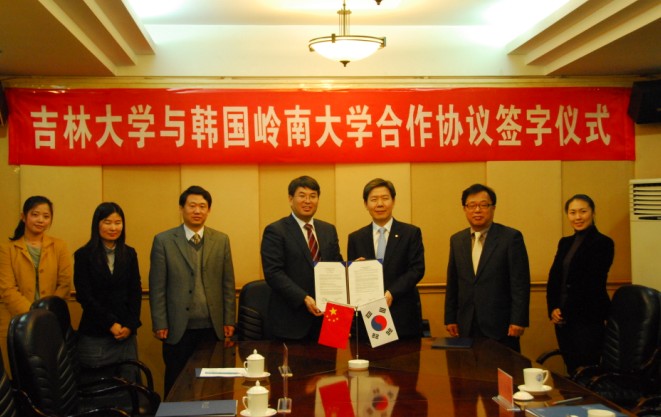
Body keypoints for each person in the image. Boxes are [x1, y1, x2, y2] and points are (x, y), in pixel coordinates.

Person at [149, 185, 236, 396]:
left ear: (209, 210)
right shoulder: (164, 241)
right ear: (181, 208)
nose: (197, 211)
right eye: (192, 206)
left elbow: (227, 284)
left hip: (212, 326)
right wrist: (160, 322)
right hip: (177, 327)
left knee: (212, 385)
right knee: (177, 382)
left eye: (202, 206)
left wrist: (229, 320)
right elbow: (157, 286)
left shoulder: (221, 240)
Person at [444, 183, 530, 352]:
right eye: (472, 205)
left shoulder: (510, 238)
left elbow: (520, 282)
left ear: (493, 208)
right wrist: (450, 318)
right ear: (464, 209)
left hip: (500, 325)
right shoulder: (457, 240)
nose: (477, 210)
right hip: (466, 323)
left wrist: (518, 320)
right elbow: (453, 282)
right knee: (469, 367)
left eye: (483, 205)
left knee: (502, 367)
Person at [261, 175, 343, 341]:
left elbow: (336, 266)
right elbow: (273, 273)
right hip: (291, 321)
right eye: (302, 196)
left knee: (332, 359)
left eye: (313, 196)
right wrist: (303, 298)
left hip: (329, 319)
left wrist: (353, 268)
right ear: (290, 199)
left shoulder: (328, 230)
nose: (307, 201)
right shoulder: (276, 230)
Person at [347, 178, 425, 339]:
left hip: (402, 314)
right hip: (368, 316)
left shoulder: (410, 233)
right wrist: (354, 270)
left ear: (393, 201)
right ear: (366, 204)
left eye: (385, 198)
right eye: (374, 199)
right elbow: (352, 280)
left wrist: (392, 292)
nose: (380, 204)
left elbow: (417, 269)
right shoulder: (356, 238)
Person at [74, 202, 142, 383]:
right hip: (96, 334)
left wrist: (130, 324)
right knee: (98, 386)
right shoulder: (83, 255)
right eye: (107, 222)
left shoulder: (129, 253)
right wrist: (110, 323)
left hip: (126, 334)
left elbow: (135, 291)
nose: (113, 228)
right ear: (97, 224)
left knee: (130, 386)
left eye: (118, 223)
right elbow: (84, 296)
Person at [546, 194, 614, 375]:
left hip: (588, 317)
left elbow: (591, 283)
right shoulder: (565, 243)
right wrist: (553, 308)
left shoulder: (603, 243)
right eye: (572, 212)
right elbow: (554, 278)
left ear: (592, 213)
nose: (578, 217)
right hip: (562, 319)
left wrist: (565, 311)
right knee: (571, 368)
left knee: (587, 370)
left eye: (583, 211)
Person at [0, 196, 72, 341]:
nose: (40, 220)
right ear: (23, 217)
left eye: (46, 216)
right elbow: (7, 288)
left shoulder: (59, 246)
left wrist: (48, 312)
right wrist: (33, 315)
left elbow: (64, 283)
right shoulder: (6, 249)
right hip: (16, 320)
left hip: (51, 320)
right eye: (35, 214)